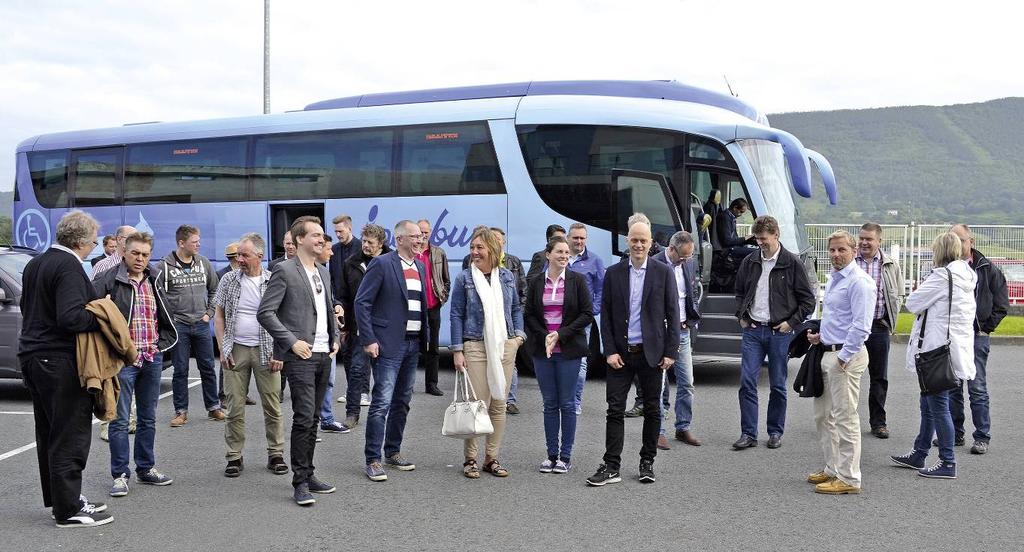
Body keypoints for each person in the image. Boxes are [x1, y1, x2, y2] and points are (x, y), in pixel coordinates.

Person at [19, 210, 113, 527]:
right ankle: (68, 510)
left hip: (32, 355)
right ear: (83, 242)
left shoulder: (36, 263)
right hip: (59, 359)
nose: (94, 246)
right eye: (94, 241)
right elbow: (71, 317)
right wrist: (103, 315)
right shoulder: (69, 266)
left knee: (49, 431)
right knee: (70, 433)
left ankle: (61, 499)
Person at [587, 219, 678, 487]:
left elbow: (673, 314)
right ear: (627, 241)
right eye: (634, 240)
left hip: (652, 354)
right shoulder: (613, 273)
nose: (638, 245)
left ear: (651, 244)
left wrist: (670, 352)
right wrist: (610, 351)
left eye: (643, 241)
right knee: (614, 409)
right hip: (621, 356)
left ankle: (647, 461)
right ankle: (611, 465)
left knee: (652, 410)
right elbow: (606, 316)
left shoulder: (663, 273)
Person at [257, 215, 340, 506]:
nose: (321, 239)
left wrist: (336, 338)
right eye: (315, 235)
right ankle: (300, 481)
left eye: (322, 235)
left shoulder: (324, 271)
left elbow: (328, 308)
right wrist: (291, 342)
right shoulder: (284, 271)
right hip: (300, 356)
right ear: (300, 239)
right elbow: (265, 313)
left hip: (323, 355)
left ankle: (310, 473)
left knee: (315, 418)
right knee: (304, 417)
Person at [93, 232, 176, 498]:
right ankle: (120, 475)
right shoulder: (108, 280)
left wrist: (161, 345)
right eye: (135, 253)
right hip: (123, 361)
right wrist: (111, 350)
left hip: (152, 357)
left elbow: (164, 314)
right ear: (123, 253)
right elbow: (90, 314)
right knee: (118, 420)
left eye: (145, 254)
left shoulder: (155, 279)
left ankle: (146, 468)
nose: (140, 259)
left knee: (148, 418)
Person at [890, 232, 977, 480]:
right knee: (928, 403)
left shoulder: (942, 276)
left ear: (939, 251)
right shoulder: (968, 275)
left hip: (936, 350)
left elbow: (914, 303)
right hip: (954, 348)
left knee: (937, 405)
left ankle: (947, 461)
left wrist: (922, 289)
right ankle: (919, 452)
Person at [732, 215, 816, 450]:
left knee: (778, 385)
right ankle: (748, 433)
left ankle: (775, 432)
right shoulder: (749, 261)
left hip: (780, 332)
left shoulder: (792, 262)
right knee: (747, 381)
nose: (760, 243)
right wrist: (741, 316)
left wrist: (792, 323)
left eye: (764, 239)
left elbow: (808, 301)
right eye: (757, 239)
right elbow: (739, 292)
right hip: (753, 330)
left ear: (776, 235)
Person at [353, 220, 428, 481]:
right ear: (400, 239)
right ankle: (372, 459)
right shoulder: (383, 264)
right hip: (387, 345)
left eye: (421, 236)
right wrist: (369, 339)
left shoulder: (420, 266)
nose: (420, 240)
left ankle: (393, 451)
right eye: (415, 236)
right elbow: (362, 302)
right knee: (381, 403)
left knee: (402, 402)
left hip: (413, 344)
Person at [450, 227, 525, 479]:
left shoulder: (506, 277)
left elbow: (515, 308)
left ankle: (491, 458)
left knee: (499, 404)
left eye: (479, 247)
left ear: (493, 249)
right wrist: (457, 350)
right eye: (472, 247)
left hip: (504, 345)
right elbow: (456, 314)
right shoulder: (464, 278)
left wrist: (518, 338)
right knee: (477, 405)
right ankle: (470, 459)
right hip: (475, 345)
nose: (474, 252)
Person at [805, 230, 874, 495]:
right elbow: (839, 318)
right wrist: (820, 335)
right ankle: (833, 467)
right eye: (832, 250)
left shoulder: (859, 282)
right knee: (823, 416)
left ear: (854, 251)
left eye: (841, 250)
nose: (835, 254)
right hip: (828, 351)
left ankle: (849, 477)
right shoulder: (836, 279)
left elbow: (861, 326)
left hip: (846, 356)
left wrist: (844, 358)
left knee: (845, 418)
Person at [213, 233, 288, 478]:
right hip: (236, 349)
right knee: (234, 407)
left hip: (268, 351)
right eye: (237, 256)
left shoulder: (274, 280)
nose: (240, 260)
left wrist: (281, 351)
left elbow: (284, 319)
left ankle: (275, 454)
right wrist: (223, 347)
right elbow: (219, 315)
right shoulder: (228, 280)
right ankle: (234, 456)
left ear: (260, 255)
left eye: (245, 255)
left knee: (272, 406)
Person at [524, 235, 593, 474]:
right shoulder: (536, 282)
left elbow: (586, 314)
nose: (564, 256)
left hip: (569, 351)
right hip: (543, 352)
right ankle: (551, 455)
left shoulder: (577, 280)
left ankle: (565, 456)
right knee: (550, 403)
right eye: (559, 252)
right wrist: (545, 335)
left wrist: (560, 335)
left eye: (567, 253)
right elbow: (529, 314)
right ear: (548, 255)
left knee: (567, 402)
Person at [948, 224, 1008, 455]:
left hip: (975, 337)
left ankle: (982, 436)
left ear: (970, 241)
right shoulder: (946, 268)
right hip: (952, 337)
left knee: (977, 388)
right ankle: (956, 433)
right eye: (952, 239)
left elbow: (1002, 305)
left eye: (961, 239)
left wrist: (984, 328)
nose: (957, 244)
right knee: (952, 387)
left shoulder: (987, 268)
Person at [157, 225, 223, 427]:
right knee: (180, 370)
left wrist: (208, 314)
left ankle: (213, 408)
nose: (198, 244)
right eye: (194, 241)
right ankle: (181, 412)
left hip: (201, 325)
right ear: (181, 243)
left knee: (208, 367)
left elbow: (215, 290)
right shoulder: (164, 267)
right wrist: (171, 321)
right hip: (179, 327)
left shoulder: (203, 263)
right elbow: (159, 297)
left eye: (199, 240)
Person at [652, 231, 702, 448]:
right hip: (661, 333)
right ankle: (658, 431)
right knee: (660, 385)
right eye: (682, 256)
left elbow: (692, 291)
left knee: (687, 382)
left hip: (682, 331)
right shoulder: (653, 265)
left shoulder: (689, 263)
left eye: (689, 256)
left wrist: (692, 319)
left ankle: (683, 427)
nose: (685, 260)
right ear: (670, 249)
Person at [855, 223, 904, 439]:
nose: (864, 242)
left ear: (879, 242)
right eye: (862, 238)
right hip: (852, 328)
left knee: (879, 377)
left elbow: (898, 295)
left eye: (869, 239)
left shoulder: (890, 264)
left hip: (878, 327)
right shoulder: (850, 261)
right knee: (845, 375)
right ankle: (841, 421)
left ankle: (878, 423)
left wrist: (888, 321)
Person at [338, 224, 389, 429]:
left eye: (370, 242)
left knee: (384, 374)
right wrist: (341, 311)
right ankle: (352, 413)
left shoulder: (391, 261)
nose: (365, 245)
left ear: (381, 244)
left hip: (385, 327)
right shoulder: (351, 262)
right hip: (359, 325)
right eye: (364, 241)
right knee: (357, 371)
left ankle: (381, 414)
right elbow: (343, 294)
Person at [565, 222, 604, 416]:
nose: (579, 241)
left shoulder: (595, 261)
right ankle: (561, 400)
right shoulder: (559, 258)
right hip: (559, 320)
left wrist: (592, 311)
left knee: (579, 362)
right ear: (568, 238)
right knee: (559, 361)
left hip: (582, 321)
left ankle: (575, 402)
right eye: (575, 238)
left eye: (582, 238)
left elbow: (601, 290)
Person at [314, 233, 348, 433]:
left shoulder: (325, 273)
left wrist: (337, 305)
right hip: (310, 339)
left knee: (329, 380)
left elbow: (330, 298)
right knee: (312, 385)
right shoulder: (300, 272)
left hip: (328, 336)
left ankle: (326, 420)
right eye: (328, 248)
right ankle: (310, 425)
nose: (332, 252)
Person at [416, 218, 451, 396]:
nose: (423, 235)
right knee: (412, 346)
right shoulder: (410, 252)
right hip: (414, 308)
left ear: (430, 233)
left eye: (426, 232)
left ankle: (432, 384)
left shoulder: (438, 253)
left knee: (434, 347)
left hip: (433, 306)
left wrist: (441, 298)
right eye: (420, 232)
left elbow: (446, 279)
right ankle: (407, 384)